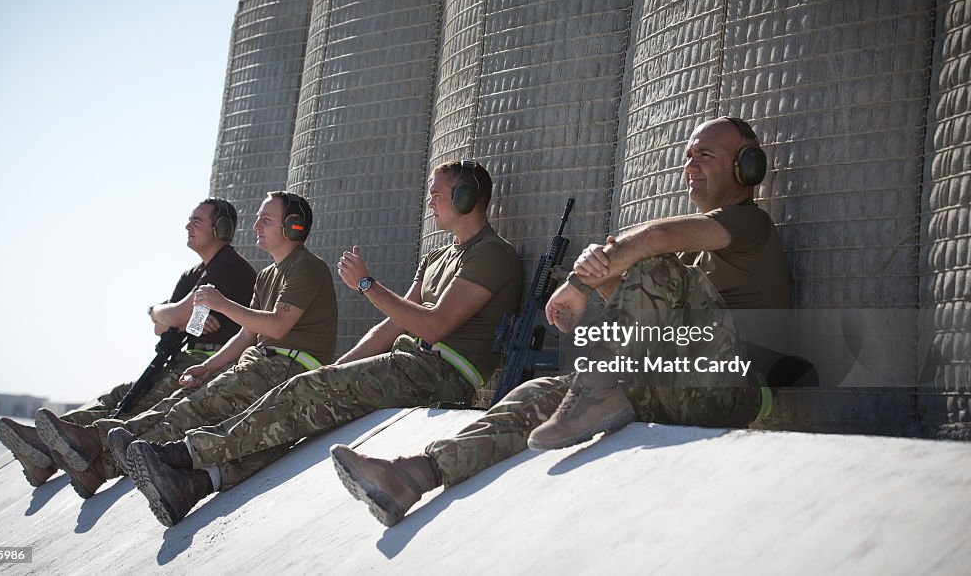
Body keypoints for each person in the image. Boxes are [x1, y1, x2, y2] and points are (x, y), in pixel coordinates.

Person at [329, 117, 791, 527]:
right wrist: (606, 281)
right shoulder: (687, 256)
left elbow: (657, 238)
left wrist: (584, 279)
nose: (689, 166)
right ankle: (411, 476)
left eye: (705, 156)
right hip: (675, 385)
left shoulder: (750, 224)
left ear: (745, 167)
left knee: (656, 263)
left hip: (736, 386)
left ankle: (598, 391)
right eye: (687, 156)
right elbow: (644, 298)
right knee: (535, 395)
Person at [119, 160, 521, 526]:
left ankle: (184, 455)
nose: (430, 201)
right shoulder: (436, 256)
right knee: (302, 419)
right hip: (409, 365)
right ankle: (200, 483)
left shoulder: (491, 254)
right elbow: (387, 329)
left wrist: (367, 285)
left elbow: (433, 326)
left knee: (299, 394)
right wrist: (339, 368)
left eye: (438, 193)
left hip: (441, 374)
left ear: (467, 197)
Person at [32, 192, 337, 499]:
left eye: (266, 219)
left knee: (192, 410)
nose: (256, 224)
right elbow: (247, 335)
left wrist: (222, 304)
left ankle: (95, 448)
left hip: (290, 365)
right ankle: (97, 464)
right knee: (177, 407)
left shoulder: (307, 267)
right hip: (260, 361)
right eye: (258, 218)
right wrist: (208, 367)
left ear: (293, 227)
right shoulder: (266, 276)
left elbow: (277, 325)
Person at [0, 198, 256, 491]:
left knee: (139, 409)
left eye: (197, 221)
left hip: (211, 362)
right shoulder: (193, 273)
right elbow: (161, 324)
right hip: (184, 358)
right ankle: (43, 448)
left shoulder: (228, 267)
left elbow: (178, 314)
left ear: (220, 228)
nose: (188, 226)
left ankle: (66, 456)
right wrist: (161, 312)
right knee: (120, 396)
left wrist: (175, 316)